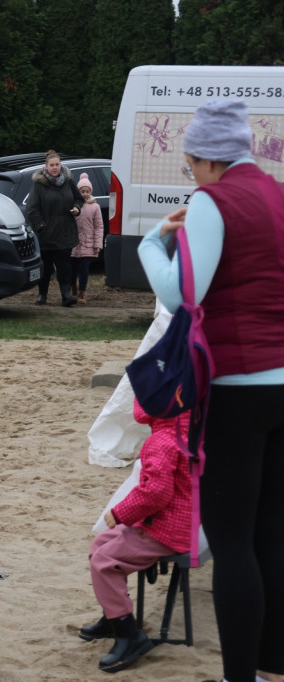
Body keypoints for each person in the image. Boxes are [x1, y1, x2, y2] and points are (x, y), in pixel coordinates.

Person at [138, 99, 284, 682]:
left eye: (191, 164)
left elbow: (182, 296)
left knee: (231, 541)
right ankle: (275, 663)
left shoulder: (211, 200)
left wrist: (153, 244)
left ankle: (239, 675)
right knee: (274, 532)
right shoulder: (276, 193)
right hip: (283, 381)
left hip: (237, 387)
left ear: (208, 159)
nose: (191, 175)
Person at [79, 401, 192, 673]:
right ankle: (113, 616)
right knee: (102, 543)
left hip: (168, 529)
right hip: (176, 520)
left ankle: (129, 633)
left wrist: (121, 512)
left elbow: (155, 493)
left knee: (105, 560)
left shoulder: (162, 440)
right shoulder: (183, 429)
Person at [26, 150, 83, 306]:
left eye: (57, 164)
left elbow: (78, 198)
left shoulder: (69, 181)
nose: (55, 167)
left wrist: (77, 208)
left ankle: (66, 295)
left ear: (61, 165)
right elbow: (32, 208)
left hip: (65, 231)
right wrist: (41, 225)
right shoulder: (39, 185)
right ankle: (42, 294)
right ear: (46, 166)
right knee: (45, 266)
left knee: (64, 266)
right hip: (46, 233)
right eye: (52, 165)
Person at [70, 172, 103, 303]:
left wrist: (98, 244)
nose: (84, 193)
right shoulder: (73, 205)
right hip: (73, 244)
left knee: (84, 270)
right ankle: (73, 287)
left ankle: (82, 293)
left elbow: (99, 226)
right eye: (82, 191)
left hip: (88, 245)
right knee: (72, 270)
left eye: (87, 191)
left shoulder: (95, 207)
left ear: (90, 191)